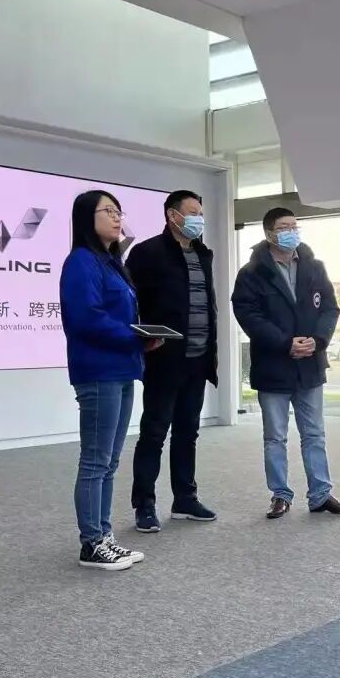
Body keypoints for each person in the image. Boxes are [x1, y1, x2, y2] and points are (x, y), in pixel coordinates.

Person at [231, 208, 340, 519]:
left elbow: (330, 308)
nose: (291, 232)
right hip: (273, 365)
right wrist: (285, 343)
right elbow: (249, 316)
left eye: (294, 226)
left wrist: (318, 340)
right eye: (284, 227)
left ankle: (321, 494)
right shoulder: (251, 273)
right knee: (275, 436)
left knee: (314, 434)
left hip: (310, 366)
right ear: (269, 234)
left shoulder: (314, 267)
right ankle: (280, 495)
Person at [60, 190, 158, 571]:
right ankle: (91, 543)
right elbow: (86, 319)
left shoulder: (112, 262)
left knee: (110, 461)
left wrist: (143, 339)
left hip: (122, 368)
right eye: (109, 211)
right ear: (88, 217)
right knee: (95, 461)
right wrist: (134, 336)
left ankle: (104, 536)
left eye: (119, 212)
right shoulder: (81, 262)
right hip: (98, 370)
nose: (118, 218)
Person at [126, 190, 219, 532]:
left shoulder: (202, 253)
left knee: (187, 432)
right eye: (192, 212)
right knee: (154, 433)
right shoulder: (147, 252)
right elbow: (129, 301)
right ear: (172, 215)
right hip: (164, 359)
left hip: (198, 358)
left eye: (201, 213)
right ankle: (144, 504)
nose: (199, 219)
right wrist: (142, 338)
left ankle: (185, 498)